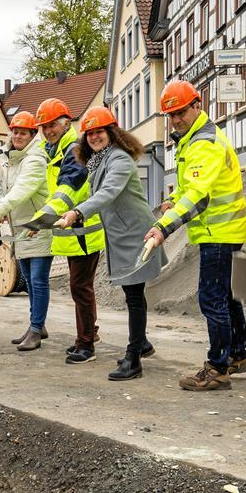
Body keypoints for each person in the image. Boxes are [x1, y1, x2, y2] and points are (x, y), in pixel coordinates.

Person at [145, 80, 246, 391]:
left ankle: (218, 369)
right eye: (170, 115)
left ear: (197, 105)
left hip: (218, 231)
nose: (175, 120)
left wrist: (164, 226)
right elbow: (195, 188)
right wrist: (175, 200)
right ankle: (237, 354)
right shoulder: (194, 139)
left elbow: (199, 197)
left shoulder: (203, 143)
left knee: (212, 298)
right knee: (227, 297)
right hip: (226, 228)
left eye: (180, 112)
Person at [56, 107, 163, 381]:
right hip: (120, 237)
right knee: (132, 295)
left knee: (135, 297)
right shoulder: (98, 161)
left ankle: (133, 359)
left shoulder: (120, 160)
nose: (94, 137)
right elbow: (104, 201)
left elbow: (108, 192)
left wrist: (79, 212)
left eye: (99, 131)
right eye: (89, 133)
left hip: (136, 236)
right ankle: (141, 343)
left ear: (111, 132)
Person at [29, 97, 105, 364]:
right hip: (76, 232)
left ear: (65, 123)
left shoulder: (73, 150)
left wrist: (39, 219)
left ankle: (86, 345)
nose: (47, 130)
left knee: (80, 288)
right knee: (81, 288)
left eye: (52, 125)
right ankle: (87, 336)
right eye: (44, 126)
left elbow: (67, 190)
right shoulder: (60, 150)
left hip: (83, 231)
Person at [0, 111, 53, 351]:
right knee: (27, 279)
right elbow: (6, 190)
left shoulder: (35, 160)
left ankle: (36, 330)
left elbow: (21, 191)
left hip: (38, 226)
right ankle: (37, 324)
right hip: (20, 228)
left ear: (32, 134)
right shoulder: (11, 159)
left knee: (38, 280)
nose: (17, 135)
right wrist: (3, 209)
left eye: (22, 132)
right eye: (14, 131)